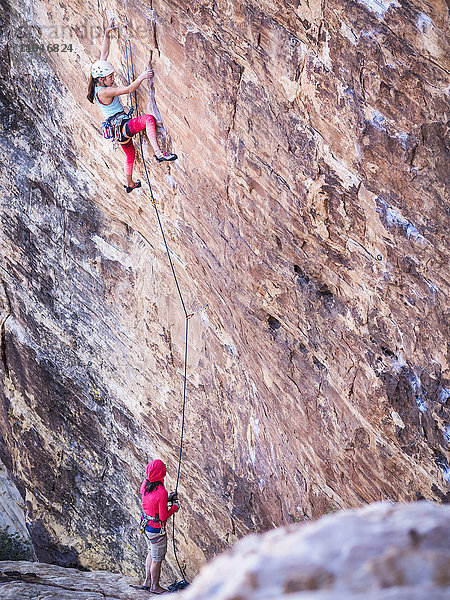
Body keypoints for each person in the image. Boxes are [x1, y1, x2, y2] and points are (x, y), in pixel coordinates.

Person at [87, 18, 177, 193]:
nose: (113, 79)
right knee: (148, 120)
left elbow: (103, 56)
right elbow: (128, 89)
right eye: (110, 77)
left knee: (130, 155)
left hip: (117, 131)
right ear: (101, 80)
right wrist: (142, 77)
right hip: (122, 126)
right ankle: (159, 153)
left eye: (112, 76)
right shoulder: (104, 92)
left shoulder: (98, 82)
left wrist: (106, 35)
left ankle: (129, 184)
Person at [140, 459, 179, 594]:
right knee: (157, 560)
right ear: (161, 472)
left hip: (145, 526)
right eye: (165, 468)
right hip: (156, 530)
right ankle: (154, 587)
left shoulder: (145, 484)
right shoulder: (161, 491)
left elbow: (152, 502)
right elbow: (162, 517)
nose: (166, 469)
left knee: (151, 552)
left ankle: (147, 582)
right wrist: (174, 507)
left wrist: (167, 498)